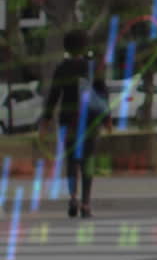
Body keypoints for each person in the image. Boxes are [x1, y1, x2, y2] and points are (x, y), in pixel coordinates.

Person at [39, 29, 111, 218]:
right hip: (90, 121)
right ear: (85, 46)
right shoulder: (93, 67)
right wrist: (107, 118)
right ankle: (86, 204)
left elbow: (53, 96)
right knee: (87, 160)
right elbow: (103, 94)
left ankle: (73, 198)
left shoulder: (61, 69)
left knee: (72, 160)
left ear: (66, 47)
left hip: (68, 121)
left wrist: (45, 121)